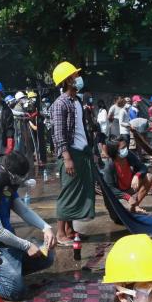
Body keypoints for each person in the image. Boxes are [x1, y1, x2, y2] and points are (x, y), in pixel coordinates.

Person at [0, 152, 55, 300]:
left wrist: (46, 227)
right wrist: (26, 246)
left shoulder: (6, 186)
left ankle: (11, 271)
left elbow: (23, 210)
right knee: (15, 291)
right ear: (11, 176)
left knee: (48, 255)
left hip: (7, 243)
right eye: (20, 179)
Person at [50, 61, 95, 244]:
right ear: (68, 80)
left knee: (78, 192)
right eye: (75, 76)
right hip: (70, 154)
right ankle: (60, 233)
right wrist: (66, 157)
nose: (78, 78)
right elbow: (59, 133)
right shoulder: (60, 103)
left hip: (81, 152)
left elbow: (81, 129)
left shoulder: (76, 101)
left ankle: (70, 230)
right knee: (68, 193)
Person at [101, 137, 152, 212]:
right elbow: (110, 188)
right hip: (119, 193)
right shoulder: (109, 166)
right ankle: (129, 204)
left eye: (126, 147)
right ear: (115, 151)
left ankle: (135, 206)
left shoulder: (129, 155)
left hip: (131, 187)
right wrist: (127, 197)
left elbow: (143, 167)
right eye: (123, 148)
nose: (126, 150)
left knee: (148, 177)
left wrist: (137, 176)